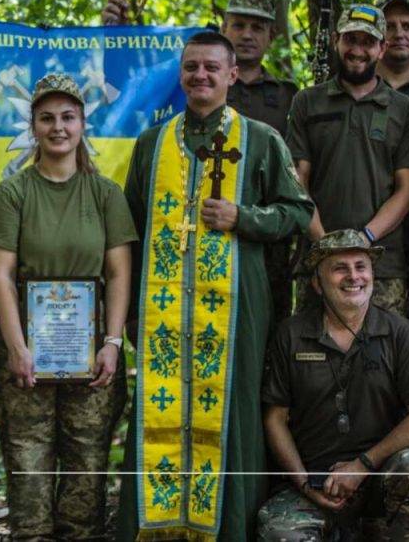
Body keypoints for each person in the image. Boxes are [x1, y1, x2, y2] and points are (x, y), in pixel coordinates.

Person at [116, 31, 314, 540]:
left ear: (232, 75)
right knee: (158, 414)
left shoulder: (260, 140)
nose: (200, 76)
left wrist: (243, 217)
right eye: (191, 67)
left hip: (236, 312)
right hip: (162, 313)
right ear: (181, 75)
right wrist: (131, 314)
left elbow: (298, 212)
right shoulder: (152, 143)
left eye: (211, 67)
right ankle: (158, 526)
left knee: (232, 415)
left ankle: (226, 530)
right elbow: (129, 231)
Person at [0, 73, 137, 539]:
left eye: (68, 117)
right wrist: (16, 348)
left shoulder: (106, 194)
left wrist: (112, 343)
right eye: (46, 118)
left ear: (83, 124)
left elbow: (118, 274)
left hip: (91, 353)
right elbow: (1, 275)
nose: (58, 127)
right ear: (33, 126)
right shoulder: (12, 193)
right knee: (28, 468)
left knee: (87, 469)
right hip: (25, 351)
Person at [106, 0, 299, 320]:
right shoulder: (185, 86)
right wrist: (117, 34)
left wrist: (244, 218)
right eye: (238, 25)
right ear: (223, 28)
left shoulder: (288, 98)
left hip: (256, 265)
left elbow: (296, 197)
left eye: (257, 27)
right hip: (176, 271)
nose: (247, 35)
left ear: (271, 36)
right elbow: (134, 82)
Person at [258, 229, 409, 540]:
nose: (354, 276)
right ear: (317, 283)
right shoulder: (291, 334)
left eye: (361, 266)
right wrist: (304, 483)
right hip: (314, 483)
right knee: (280, 533)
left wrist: (362, 466)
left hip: (379, 479)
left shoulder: (400, 333)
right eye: (340, 268)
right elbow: (275, 419)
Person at [286, 3, 409, 318]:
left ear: (381, 48)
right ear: (336, 41)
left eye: (368, 42)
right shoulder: (307, 102)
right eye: (350, 39)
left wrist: (364, 239)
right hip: (316, 260)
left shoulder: (403, 109)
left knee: (382, 347)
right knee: (311, 345)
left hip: (382, 266)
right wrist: (324, 245)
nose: (358, 50)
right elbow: (297, 181)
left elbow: (406, 190)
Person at [375, 0, 409, 319]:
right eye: (389, 26)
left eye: (407, 26)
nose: (398, 34)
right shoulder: (352, 90)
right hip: (368, 246)